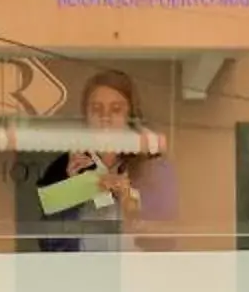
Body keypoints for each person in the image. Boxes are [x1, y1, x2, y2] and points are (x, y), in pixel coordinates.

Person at [27, 69, 165, 251]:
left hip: (135, 275)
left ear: (130, 115)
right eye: (96, 109)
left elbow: (167, 242)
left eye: (116, 109)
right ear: (85, 115)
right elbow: (49, 245)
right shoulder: (62, 167)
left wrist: (130, 205)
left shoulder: (154, 168)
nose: (105, 117)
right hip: (82, 275)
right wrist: (73, 191)